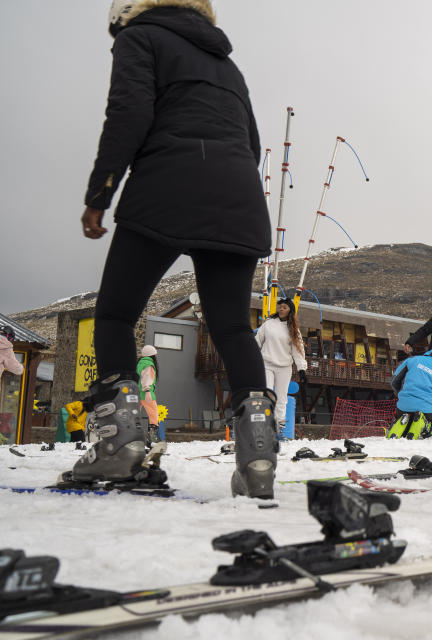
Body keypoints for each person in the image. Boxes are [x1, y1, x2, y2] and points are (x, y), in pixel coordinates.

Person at [65, 0, 277, 499]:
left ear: (127, 14)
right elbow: (252, 143)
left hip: (167, 186)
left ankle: (119, 447)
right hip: (239, 195)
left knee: (116, 315)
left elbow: (129, 113)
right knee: (231, 327)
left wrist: (100, 194)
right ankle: (258, 459)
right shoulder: (227, 63)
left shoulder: (141, 38)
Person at [256, 298, 308, 431]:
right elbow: (257, 341)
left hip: (284, 367)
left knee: (281, 399)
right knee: (266, 395)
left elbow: (298, 350)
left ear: (290, 310)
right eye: (280, 306)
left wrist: (302, 369)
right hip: (266, 363)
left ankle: (280, 429)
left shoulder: (294, 330)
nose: (281, 309)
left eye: (285, 307)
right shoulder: (269, 324)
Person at [388, 345, 432, 439]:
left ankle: (400, 425)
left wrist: (401, 394)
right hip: (427, 410)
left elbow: (393, 381)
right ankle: (425, 426)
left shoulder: (412, 360)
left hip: (403, 406)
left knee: (402, 415)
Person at [136, 345, 162, 443]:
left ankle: (135, 436)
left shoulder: (140, 363)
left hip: (137, 393)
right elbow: (146, 379)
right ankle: (153, 439)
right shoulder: (149, 365)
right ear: (152, 355)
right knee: (154, 415)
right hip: (146, 394)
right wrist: (147, 391)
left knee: (135, 415)